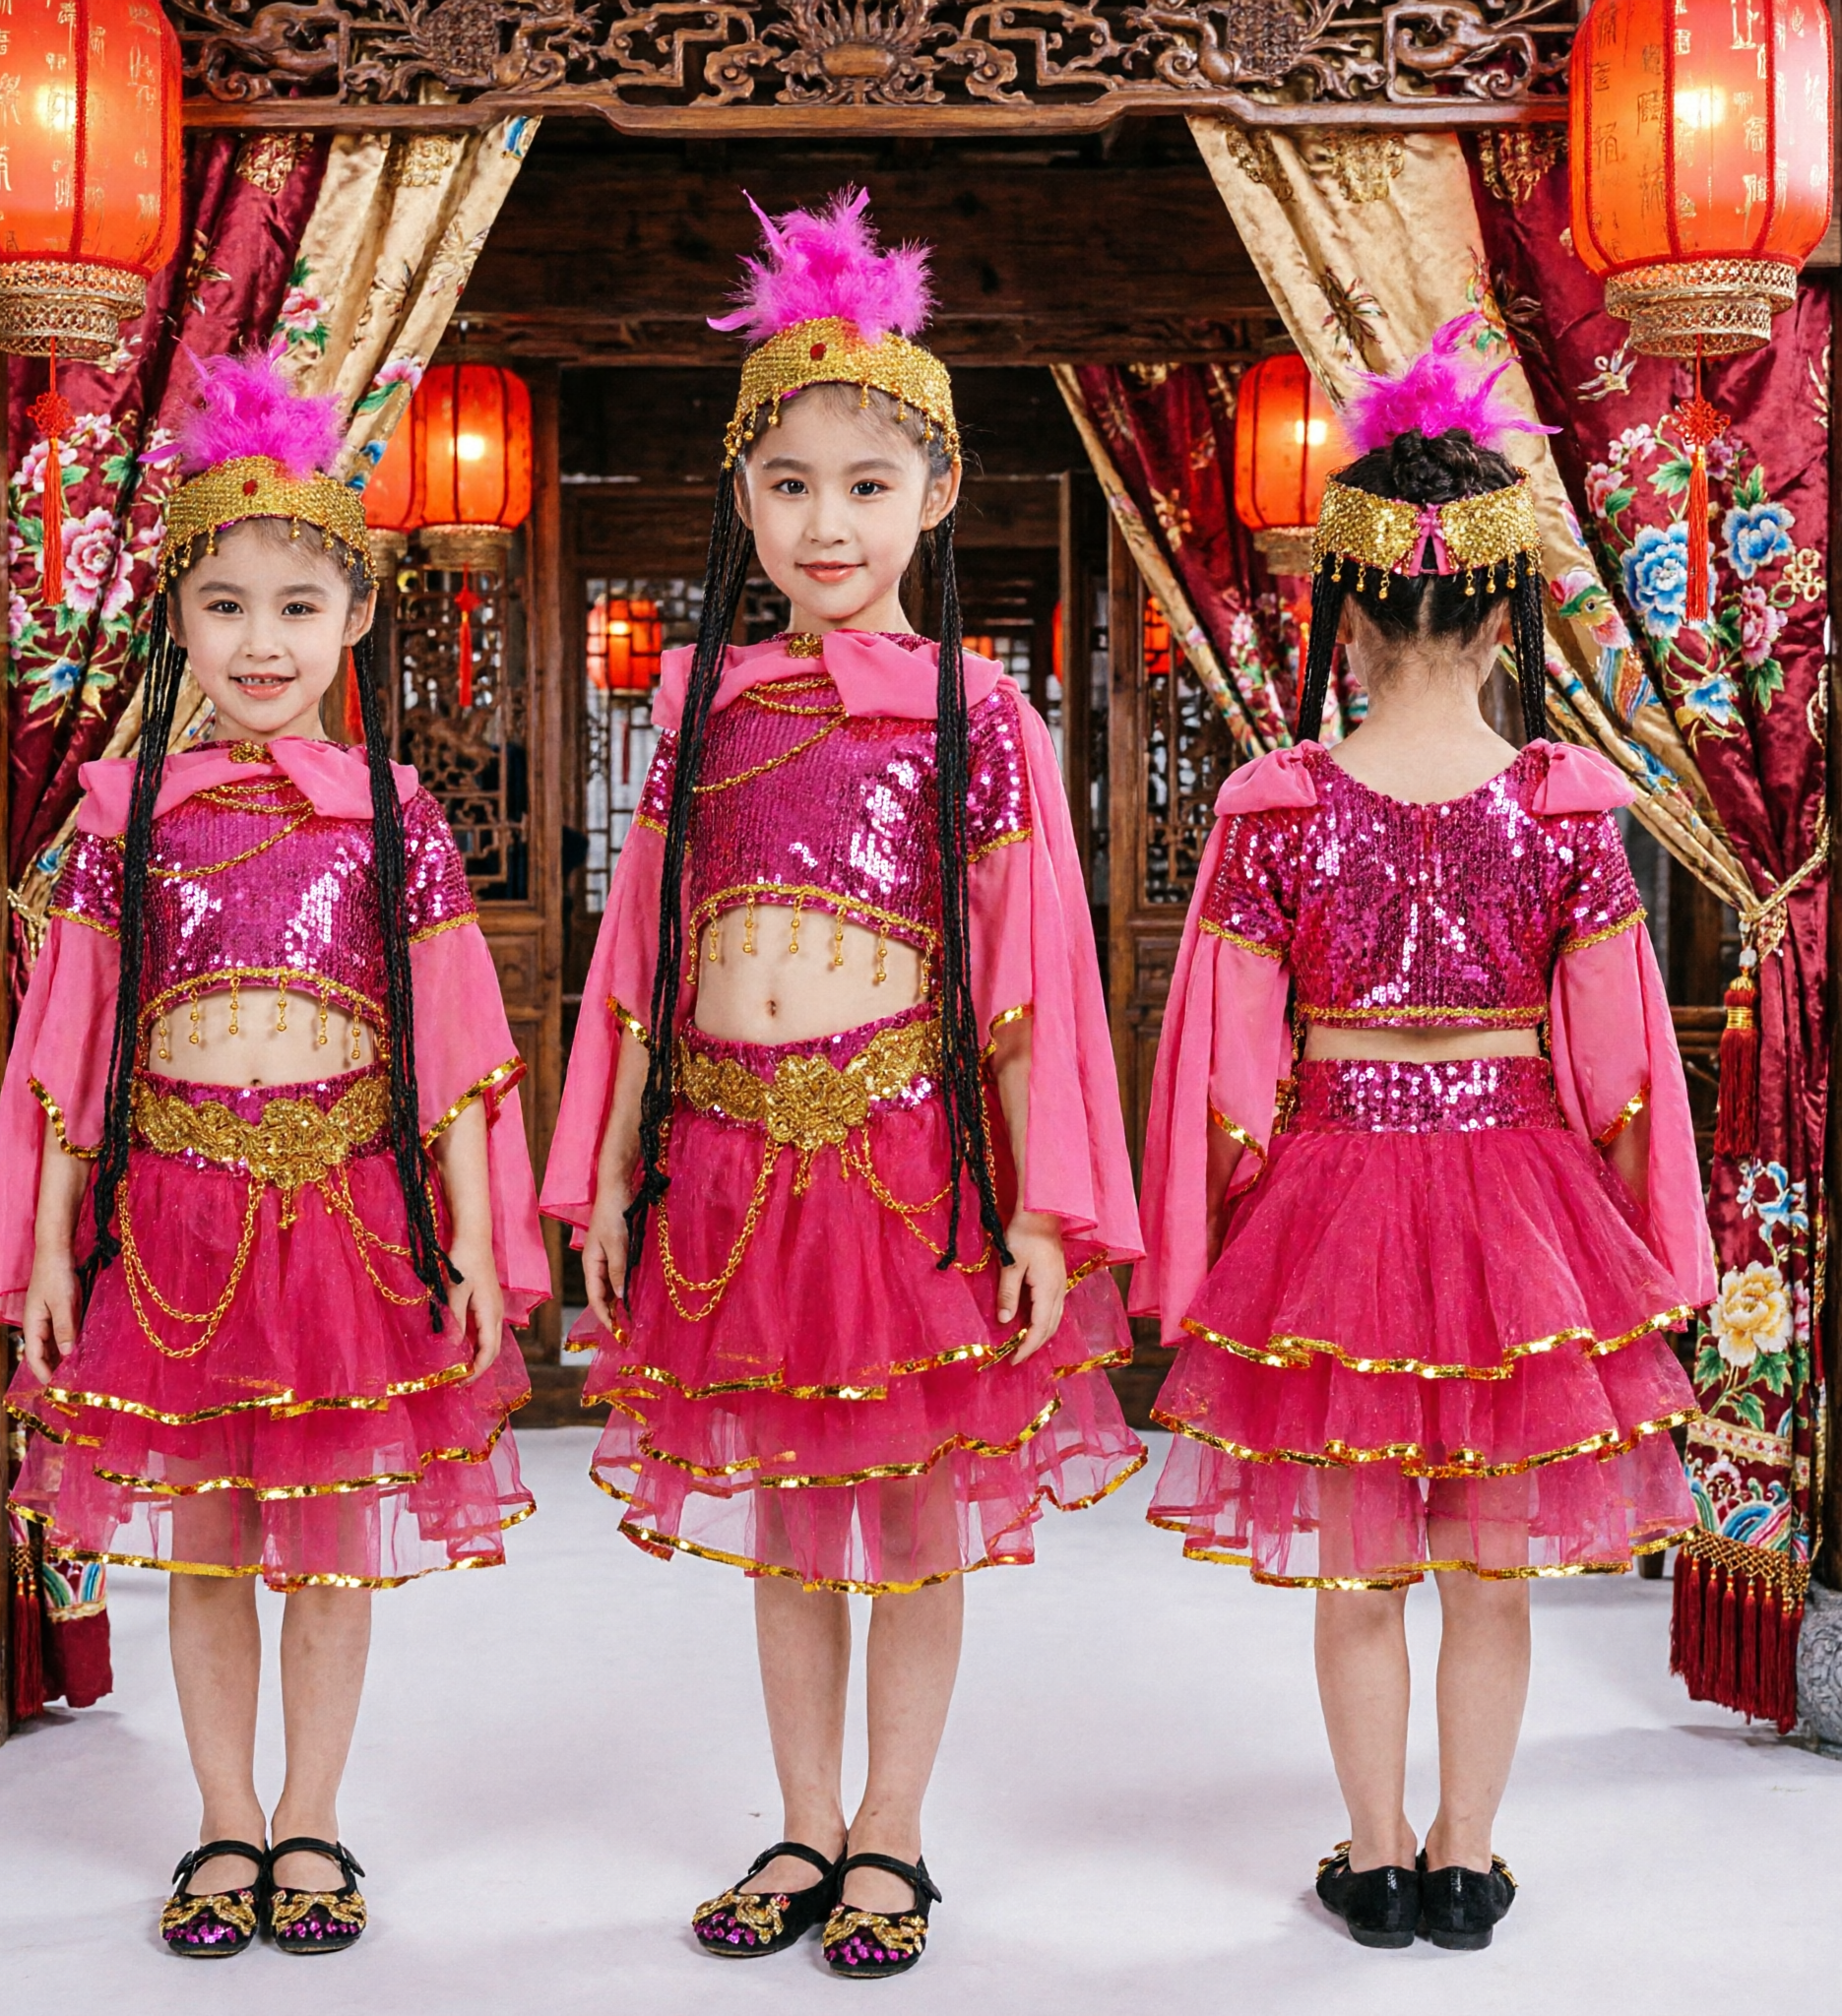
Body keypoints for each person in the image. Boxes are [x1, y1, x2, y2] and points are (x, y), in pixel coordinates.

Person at [541, 190, 1143, 1979]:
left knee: (913, 1509)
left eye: (867, 486)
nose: (827, 523)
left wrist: (1042, 1205)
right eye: (791, 484)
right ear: (742, 499)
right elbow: (641, 963)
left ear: (935, 498)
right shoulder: (703, 711)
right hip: (734, 1173)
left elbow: (1026, 985)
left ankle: (891, 1832)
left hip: (910, 1165)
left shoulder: (980, 713)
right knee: (794, 1522)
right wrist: (609, 1168)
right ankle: (801, 1823)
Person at [1132, 317, 1712, 1953]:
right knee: (1491, 1567)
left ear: (1353, 607)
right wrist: (1635, 1233)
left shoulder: (1280, 806)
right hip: (1524, 1196)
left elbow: (1229, 1074)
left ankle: (1375, 1857)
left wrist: (1226, 1225)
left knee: (1361, 1566)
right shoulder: (1564, 805)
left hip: (1337, 1191)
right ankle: (1467, 1860)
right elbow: (1622, 1069)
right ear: (1510, 611)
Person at [0, 353, 548, 1958]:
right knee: (212, 1544)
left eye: (298, 606)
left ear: (353, 620)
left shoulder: (395, 816)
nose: (262, 641)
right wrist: (50, 1250)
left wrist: (475, 1240)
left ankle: (313, 1820)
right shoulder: (121, 815)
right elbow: (70, 1051)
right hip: (172, 1225)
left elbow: (455, 1044)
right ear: (179, 622)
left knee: (330, 1549)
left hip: (349, 1225)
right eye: (226, 606)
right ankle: (224, 1822)